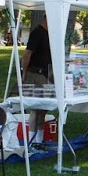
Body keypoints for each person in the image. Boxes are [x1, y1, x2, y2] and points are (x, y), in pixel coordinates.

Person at [22, 12, 54, 143]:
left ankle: (39, 140)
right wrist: (24, 73)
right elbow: (26, 54)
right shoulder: (37, 33)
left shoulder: (50, 34)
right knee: (35, 108)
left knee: (43, 109)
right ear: (46, 18)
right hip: (36, 74)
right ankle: (31, 141)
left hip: (47, 74)